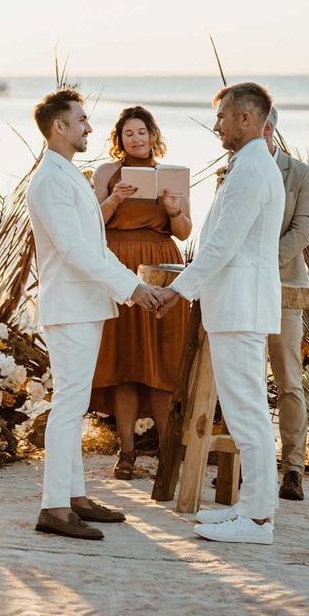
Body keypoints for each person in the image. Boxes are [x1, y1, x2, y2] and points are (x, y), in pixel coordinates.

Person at [26, 88, 165, 541]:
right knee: (68, 405)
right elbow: (74, 250)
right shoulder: (49, 180)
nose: (89, 127)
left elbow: (97, 247)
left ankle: (76, 497)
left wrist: (134, 288)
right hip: (69, 307)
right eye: (81, 120)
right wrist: (131, 288)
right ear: (59, 127)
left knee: (75, 403)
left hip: (86, 305)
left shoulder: (70, 174)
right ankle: (53, 506)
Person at [157, 82, 285, 545]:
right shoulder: (250, 165)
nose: (216, 125)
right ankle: (252, 511)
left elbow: (223, 245)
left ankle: (255, 521)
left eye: (222, 117)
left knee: (247, 412)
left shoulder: (252, 171)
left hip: (241, 306)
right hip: (236, 305)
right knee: (243, 410)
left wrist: (179, 290)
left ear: (247, 119)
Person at [89, 106, 192, 478]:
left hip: (162, 266)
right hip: (118, 268)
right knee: (125, 363)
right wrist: (114, 199)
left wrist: (173, 209)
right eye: (128, 133)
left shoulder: (172, 175)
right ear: (120, 139)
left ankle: (169, 452)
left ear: (153, 135)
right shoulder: (105, 173)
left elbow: (183, 232)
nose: (136, 139)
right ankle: (127, 452)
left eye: (142, 132)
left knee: (162, 362)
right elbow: (89, 225)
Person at [264, 106, 309, 502]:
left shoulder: (299, 174)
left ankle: (293, 470)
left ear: (266, 127)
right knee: (243, 379)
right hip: (242, 290)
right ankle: (248, 465)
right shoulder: (231, 172)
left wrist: (261, 262)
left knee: (288, 380)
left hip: (285, 286)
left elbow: (303, 230)